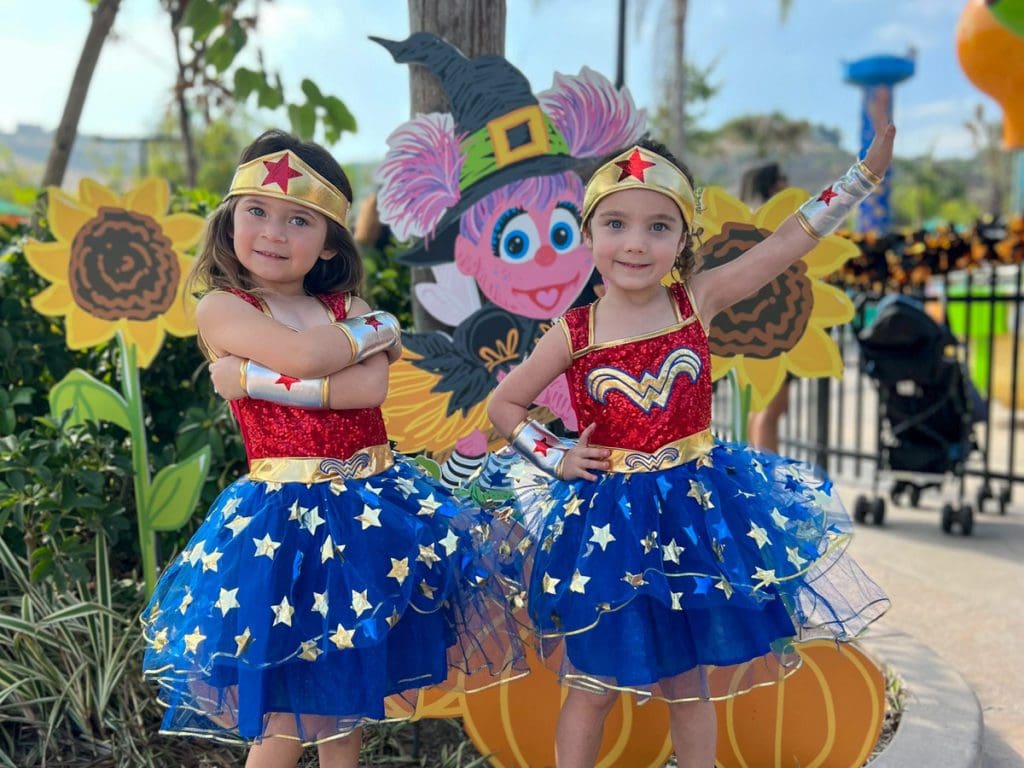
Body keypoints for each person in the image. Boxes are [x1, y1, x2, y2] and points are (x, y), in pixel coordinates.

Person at [483, 124, 895, 768]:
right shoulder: (574, 331)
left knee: (688, 684)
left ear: (683, 239)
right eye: (615, 223)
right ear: (587, 235)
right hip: (609, 527)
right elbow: (503, 405)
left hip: (695, 518)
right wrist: (554, 454)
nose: (636, 243)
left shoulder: (695, 300)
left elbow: (788, 243)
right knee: (591, 685)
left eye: (658, 226)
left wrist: (862, 178)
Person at [141, 130, 523, 768]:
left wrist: (250, 378)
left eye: (299, 220)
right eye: (257, 212)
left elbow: (367, 389)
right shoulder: (222, 306)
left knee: (347, 710)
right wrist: (372, 332)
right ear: (229, 218)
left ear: (328, 243)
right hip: (285, 529)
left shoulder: (346, 305)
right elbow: (308, 356)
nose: (274, 232)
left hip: (370, 515)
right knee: (287, 720)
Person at [739, 161, 792, 452]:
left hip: (755, 324)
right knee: (773, 407)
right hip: (773, 323)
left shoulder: (750, 220)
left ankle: (757, 474)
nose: (788, 183)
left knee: (760, 406)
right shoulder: (775, 221)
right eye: (783, 178)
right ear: (772, 186)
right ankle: (768, 480)